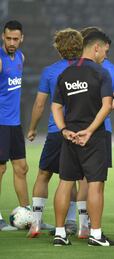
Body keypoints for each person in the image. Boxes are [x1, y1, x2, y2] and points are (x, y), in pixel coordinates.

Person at [51, 30, 114, 246]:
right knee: (95, 185)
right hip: (93, 137)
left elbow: (56, 106)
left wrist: (63, 130)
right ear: (95, 48)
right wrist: (89, 131)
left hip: (70, 137)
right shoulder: (101, 73)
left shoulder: (65, 74)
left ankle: (60, 233)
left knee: (65, 184)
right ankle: (96, 235)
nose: (104, 56)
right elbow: (107, 105)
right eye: (103, 51)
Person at [26, 28, 83, 238]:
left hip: (56, 131)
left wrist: (32, 128)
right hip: (79, 131)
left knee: (43, 174)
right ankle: (70, 223)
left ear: (58, 48)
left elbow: (40, 104)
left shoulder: (50, 71)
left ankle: (36, 223)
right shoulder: (88, 69)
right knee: (72, 178)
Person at [0, 20, 30, 231]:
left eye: (15, 39)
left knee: (21, 168)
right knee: (0, 168)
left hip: (14, 123)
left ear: (21, 39)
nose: (12, 42)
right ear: (3, 36)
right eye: (8, 38)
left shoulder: (20, 57)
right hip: (0, 123)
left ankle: (27, 214)